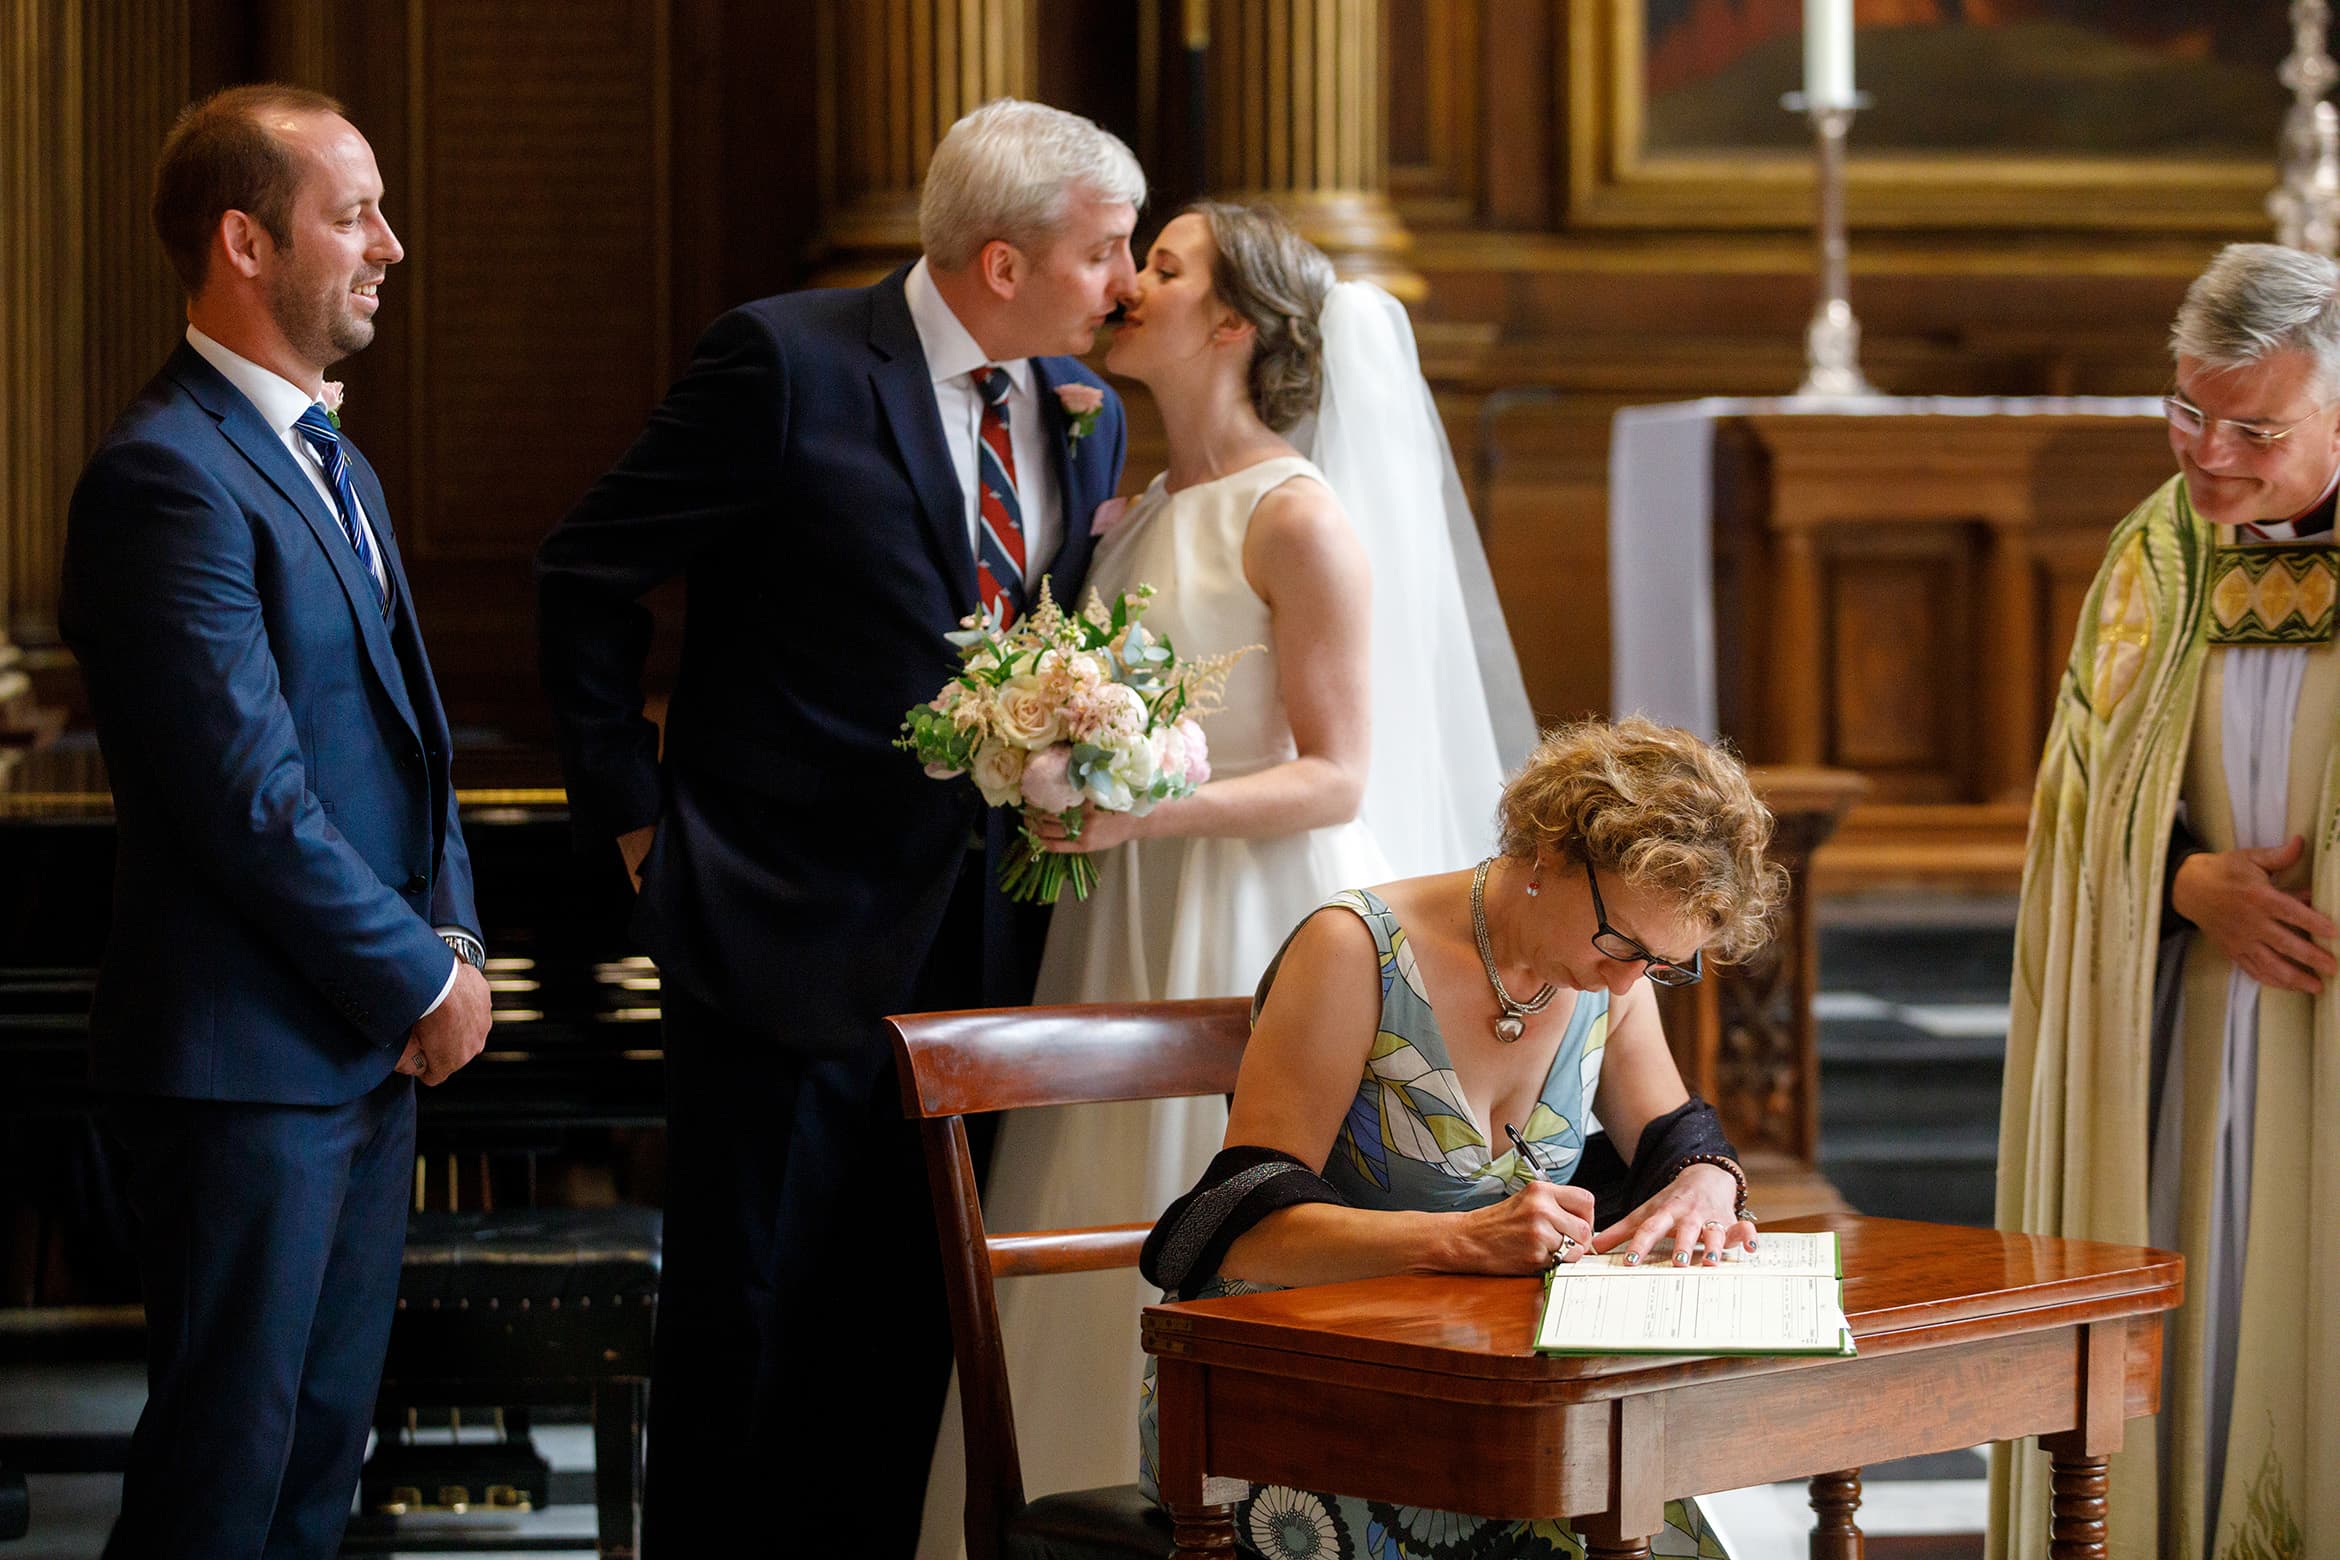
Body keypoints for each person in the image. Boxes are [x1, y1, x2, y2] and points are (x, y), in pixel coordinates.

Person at [534, 98, 1141, 1557]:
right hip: (773, 923)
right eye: (1104, 252)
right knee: (750, 1316)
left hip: (991, 934)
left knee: (914, 1317)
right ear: (1001, 263)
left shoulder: (1086, 407)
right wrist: (637, 825)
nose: (1123, 284)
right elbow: (584, 576)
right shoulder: (787, 364)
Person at [915, 202, 1538, 1553]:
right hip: (1129, 911)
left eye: (1171, 265)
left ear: (1238, 324)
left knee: (1220, 1191)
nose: (1134, 281)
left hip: (1261, 920)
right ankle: (1090, 1494)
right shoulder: (1134, 509)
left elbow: (1338, 776)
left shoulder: (1295, 517)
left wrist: (1145, 810)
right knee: (1093, 1194)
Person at [59, 84, 491, 1559]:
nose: (392, 242)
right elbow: (248, 798)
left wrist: (451, 935)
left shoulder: (335, 461)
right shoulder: (165, 476)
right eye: (353, 212)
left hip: (349, 1060)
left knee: (316, 1467)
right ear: (246, 241)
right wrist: (422, 980)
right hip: (242, 1071)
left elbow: (409, 752)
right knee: (221, 1483)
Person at [1137, 715, 1782, 1559]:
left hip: (1491, 1395)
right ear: (1548, 856)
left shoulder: (1612, 976)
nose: (1631, 979)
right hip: (1284, 1401)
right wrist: (1463, 1239)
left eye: (1664, 962)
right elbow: (1241, 1229)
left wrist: (1706, 1181)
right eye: (1622, 942)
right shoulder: (1353, 950)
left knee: (1644, 1529)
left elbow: (1675, 1135)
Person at [1998, 242, 2340, 1559]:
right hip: (2193, 1025)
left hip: (2322, 1018)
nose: (2209, 454)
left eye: (2255, 427)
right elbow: (2077, 803)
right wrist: (2185, 878)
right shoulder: (2158, 556)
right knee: (2199, 1303)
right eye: (2189, 411)